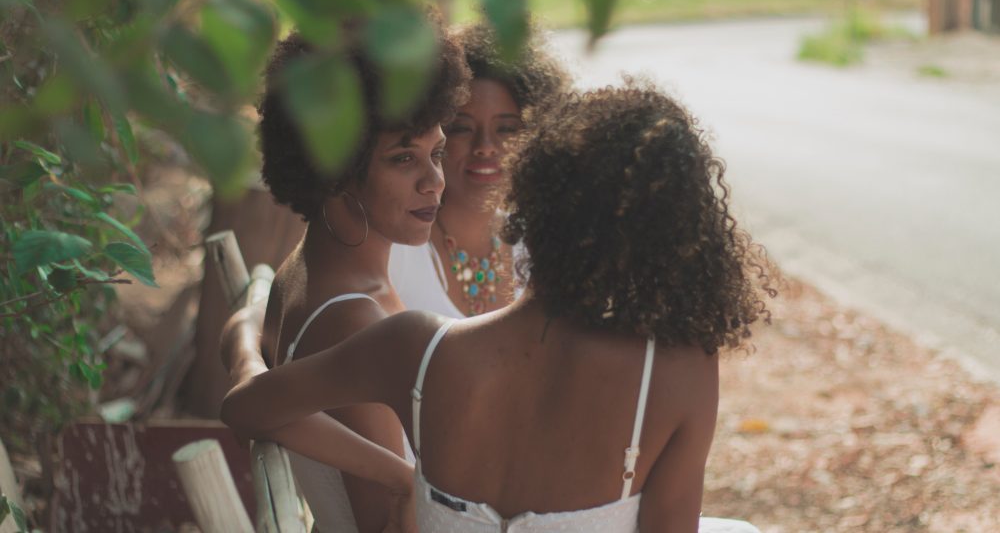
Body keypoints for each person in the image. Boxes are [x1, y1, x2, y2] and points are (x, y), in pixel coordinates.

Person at [222, 80, 776, 532]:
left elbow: (244, 408)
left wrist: (248, 339)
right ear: (678, 237)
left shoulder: (415, 345)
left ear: (532, 194)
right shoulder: (679, 374)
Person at [249, 15, 470, 533]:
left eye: (436, 152)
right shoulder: (354, 319)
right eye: (403, 158)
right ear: (335, 166)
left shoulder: (303, 269)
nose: (434, 180)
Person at [388, 21, 569, 317]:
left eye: (507, 129)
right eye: (462, 128)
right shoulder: (395, 253)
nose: (485, 146)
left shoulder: (544, 246)